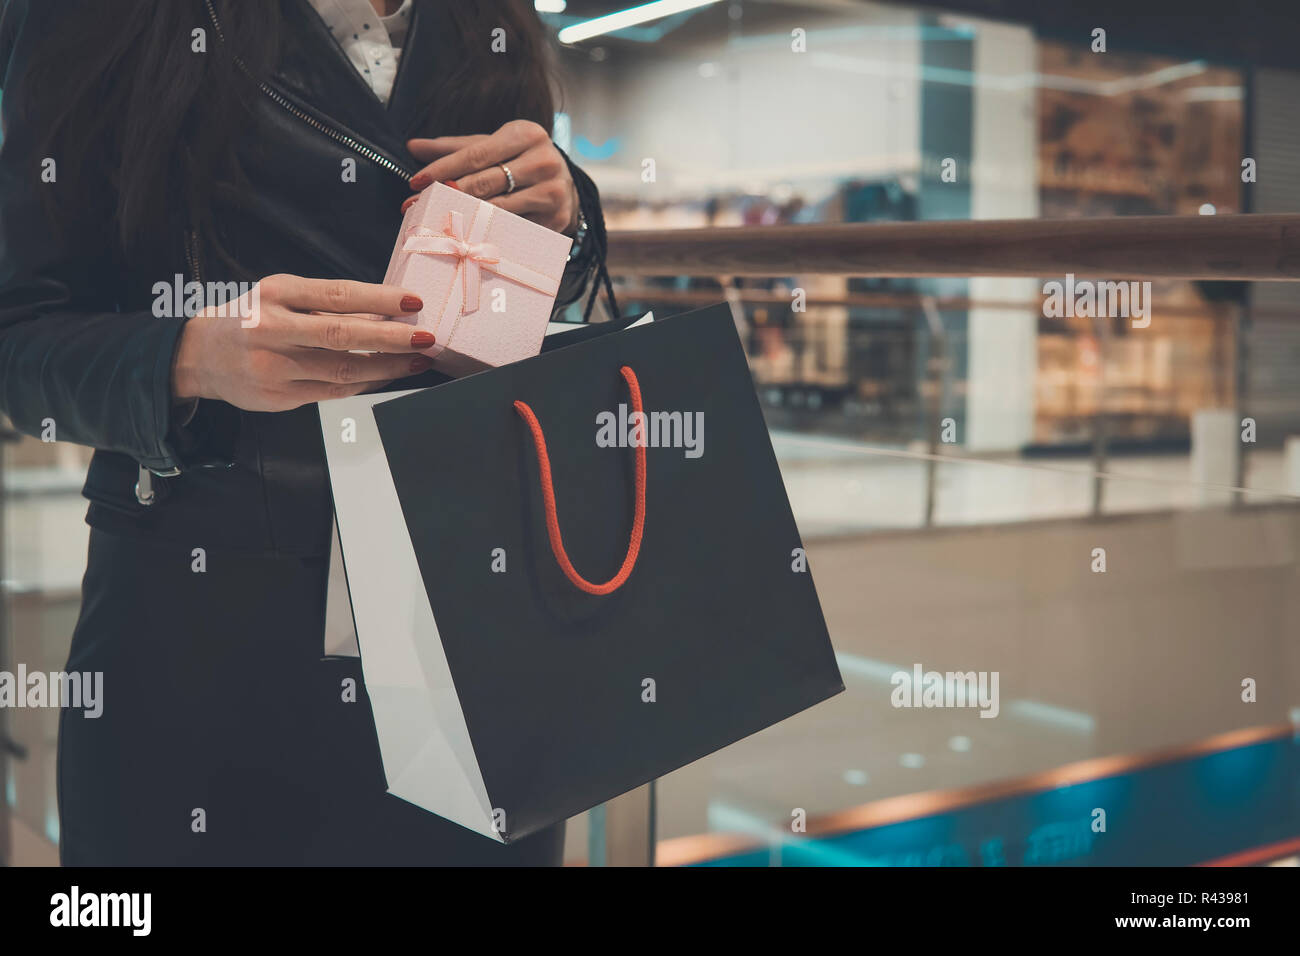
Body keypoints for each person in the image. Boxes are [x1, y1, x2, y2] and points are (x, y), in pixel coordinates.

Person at [0, 0, 610, 865]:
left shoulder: (489, 18)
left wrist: (564, 216)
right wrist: (190, 356)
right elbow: (20, 334)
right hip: (203, 640)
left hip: (469, 616)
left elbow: (508, 319)